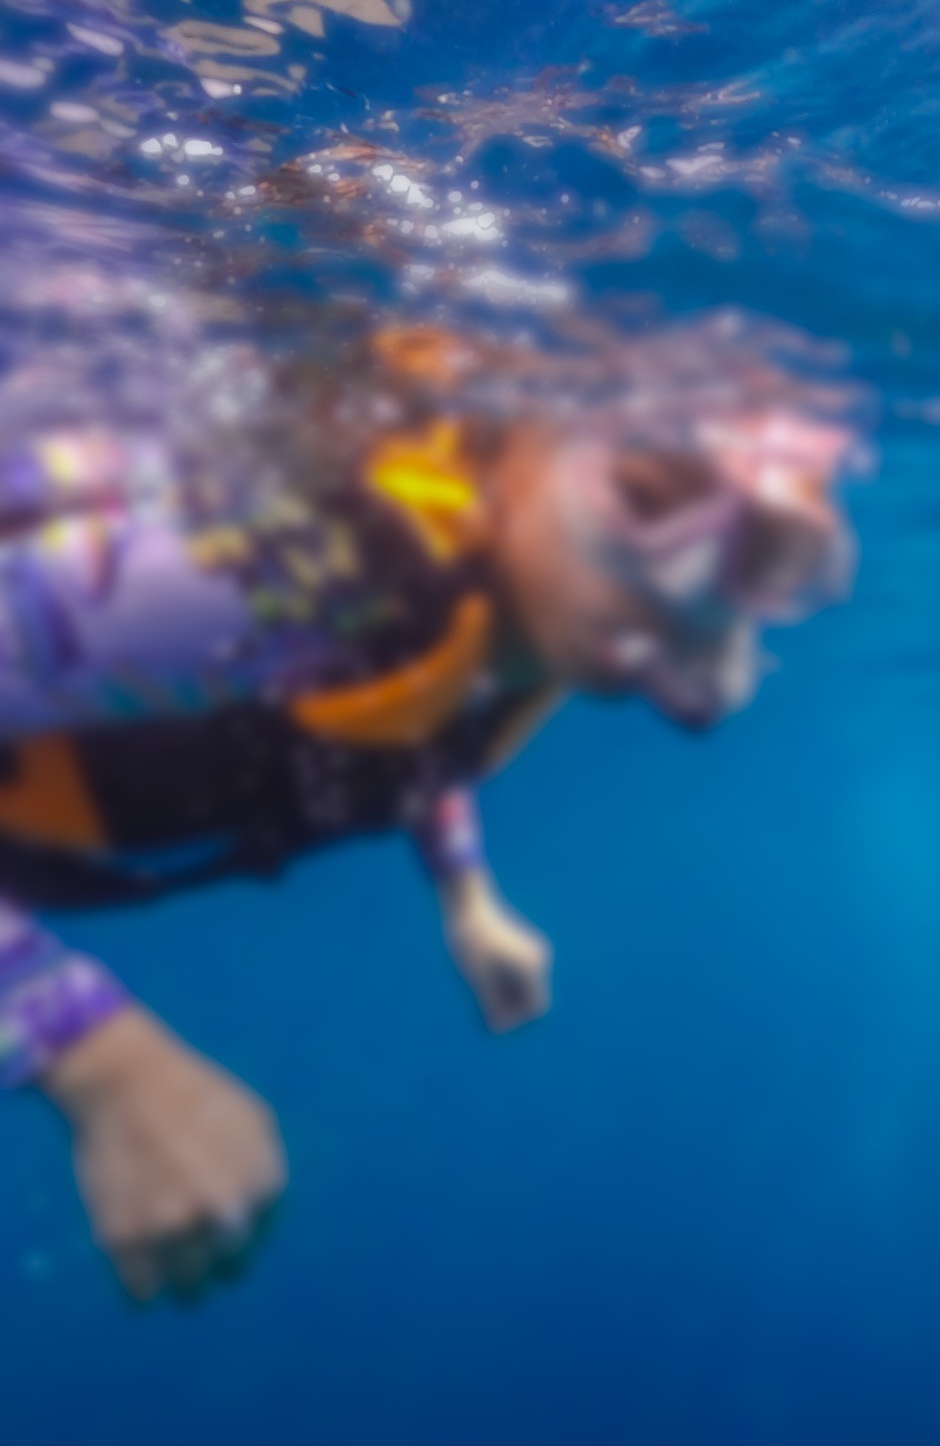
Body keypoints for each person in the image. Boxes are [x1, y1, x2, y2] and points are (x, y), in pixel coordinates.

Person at [0, 318, 860, 1299]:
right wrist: (95, 1057)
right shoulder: (256, 565)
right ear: (524, 446)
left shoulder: (521, 616)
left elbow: (411, 721)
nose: (680, 588)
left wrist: (464, 893)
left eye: (753, 561)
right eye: (644, 495)